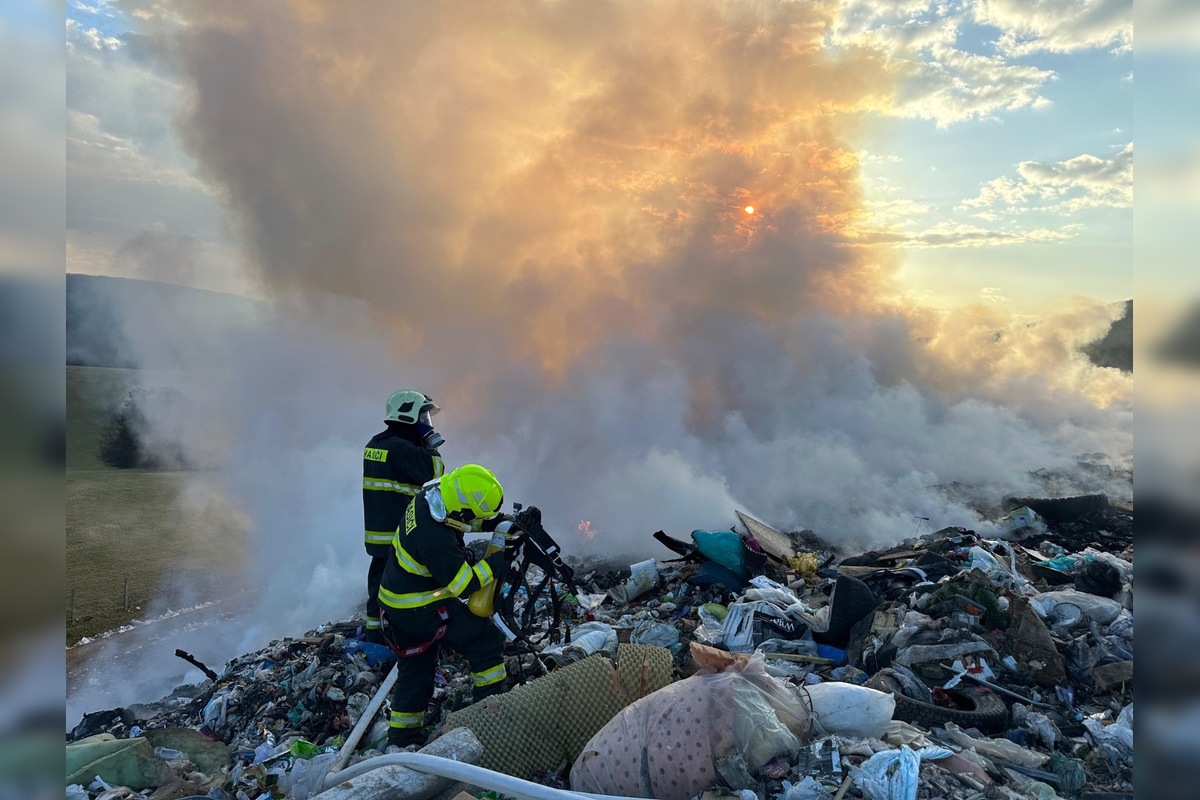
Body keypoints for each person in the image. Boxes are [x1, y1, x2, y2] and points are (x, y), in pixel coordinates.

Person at [377, 463, 518, 748]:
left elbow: (460, 521)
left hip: (396, 602)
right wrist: (497, 563)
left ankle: (403, 742)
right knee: (485, 640)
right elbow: (464, 585)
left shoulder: (430, 497)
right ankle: (488, 722)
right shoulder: (435, 540)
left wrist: (492, 522)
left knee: (416, 669)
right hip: (420, 607)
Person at [361, 390, 446, 644]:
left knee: (377, 583)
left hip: (378, 532)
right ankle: (408, 634)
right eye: (423, 416)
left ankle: (374, 633)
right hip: (402, 534)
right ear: (408, 415)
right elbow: (437, 473)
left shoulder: (375, 445)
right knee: (409, 587)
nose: (427, 422)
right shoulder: (404, 450)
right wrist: (429, 445)